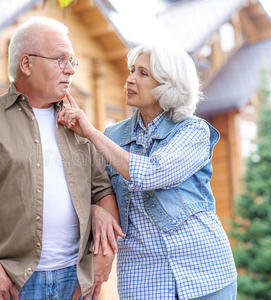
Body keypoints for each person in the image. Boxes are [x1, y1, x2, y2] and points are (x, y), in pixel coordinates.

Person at [0, 16, 123, 300]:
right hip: (11, 285)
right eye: (60, 59)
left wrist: (104, 259)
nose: (69, 70)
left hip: (76, 281)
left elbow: (102, 190)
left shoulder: (79, 122)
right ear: (26, 64)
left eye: (72, 61)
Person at [58, 43, 238, 299]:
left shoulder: (193, 131)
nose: (130, 79)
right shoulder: (113, 137)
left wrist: (90, 133)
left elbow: (152, 173)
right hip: (143, 280)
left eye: (143, 74)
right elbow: (90, 191)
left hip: (205, 274)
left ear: (169, 83)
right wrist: (96, 210)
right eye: (131, 70)